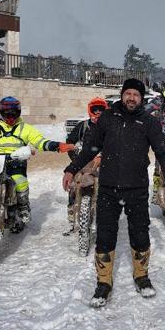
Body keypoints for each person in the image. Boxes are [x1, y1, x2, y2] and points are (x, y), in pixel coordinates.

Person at [62, 79, 165, 308]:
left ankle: (141, 276)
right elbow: (91, 148)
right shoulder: (107, 118)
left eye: (136, 94)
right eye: (128, 93)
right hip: (108, 189)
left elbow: (163, 153)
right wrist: (71, 168)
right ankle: (103, 283)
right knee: (105, 235)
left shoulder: (149, 122)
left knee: (140, 233)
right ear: (122, 96)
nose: (131, 98)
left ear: (141, 98)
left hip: (136, 188)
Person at [0, 96, 73, 233]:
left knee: (20, 181)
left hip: (15, 163)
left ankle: (23, 206)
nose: (10, 115)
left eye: (13, 112)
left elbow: (39, 141)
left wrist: (55, 146)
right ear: (0, 112)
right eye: (6, 112)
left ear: (19, 112)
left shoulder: (25, 128)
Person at [64, 97, 108, 232]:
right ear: (90, 110)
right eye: (95, 110)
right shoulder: (83, 126)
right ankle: (72, 207)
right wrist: (74, 156)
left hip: (104, 161)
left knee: (108, 185)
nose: (98, 113)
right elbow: (70, 141)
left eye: (101, 110)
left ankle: (107, 213)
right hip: (84, 161)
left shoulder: (110, 127)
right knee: (73, 183)